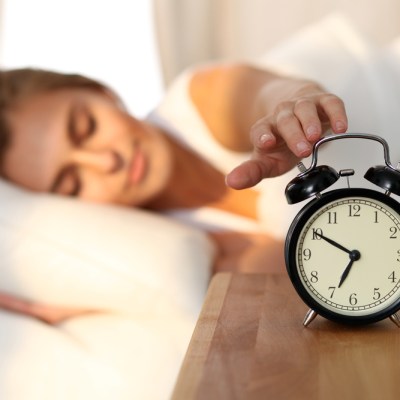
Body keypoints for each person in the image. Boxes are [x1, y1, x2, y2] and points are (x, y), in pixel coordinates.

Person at [0, 63, 348, 323]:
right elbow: (314, 274)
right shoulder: (186, 248)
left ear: (100, 91)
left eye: (87, 127)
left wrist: (294, 105)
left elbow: (267, 95)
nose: (106, 161)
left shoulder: (202, 100)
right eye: (72, 184)